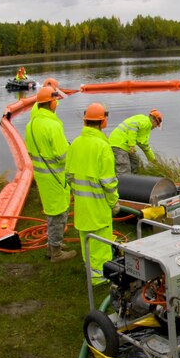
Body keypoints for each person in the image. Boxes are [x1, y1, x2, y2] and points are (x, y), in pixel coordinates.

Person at [66, 103, 119, 285]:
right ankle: (99, 278)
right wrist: (114, 203)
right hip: (99, 207)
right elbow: (109, 183)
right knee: (101, 243)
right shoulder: (103, 147)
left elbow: (68, 175)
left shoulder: (76, 143)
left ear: (85, 121)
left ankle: (91, 271)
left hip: (82, 206)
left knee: (86, 241)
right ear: (103, 122)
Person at [24, 86, 76, 263]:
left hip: (42, 176)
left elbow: (30, 151)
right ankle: (56, 252)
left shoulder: (31, 124)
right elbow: (63, 156)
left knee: (52, 211)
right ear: (52, 103)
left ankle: (53, 245)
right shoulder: (53, 125)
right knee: (58, 213)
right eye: (56, 101)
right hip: (56, 176)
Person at [109, 109, 163, 176]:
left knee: (135, 162)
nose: (155, 127)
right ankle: (123, 183)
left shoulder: (145, 129)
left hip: (125, 146)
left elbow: (146, 147)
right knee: (124, 168)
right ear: (154, 121)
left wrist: (153, 161)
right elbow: (133, 127)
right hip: (118, 144)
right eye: (156, 125)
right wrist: (132, 145)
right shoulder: (146, 121)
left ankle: (133, 180)